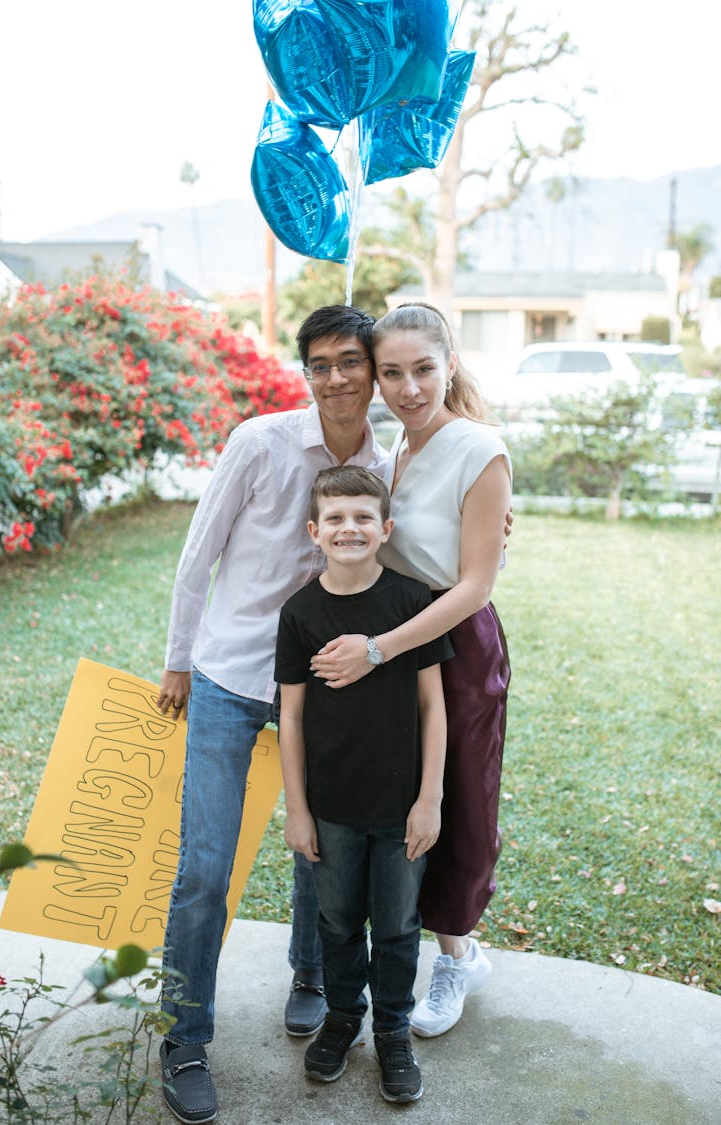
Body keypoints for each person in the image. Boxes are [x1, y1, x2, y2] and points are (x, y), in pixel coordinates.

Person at [156, 306, 384, 1124]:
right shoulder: (260, 441)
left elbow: (418, 552)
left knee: (317, 847)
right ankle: (182, 1035)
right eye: (319, 363)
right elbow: (199, 550)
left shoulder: (387, 462)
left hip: (323, 684)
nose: (336, 377)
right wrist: (180, 659)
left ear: (371, 367)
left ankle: (311, 972)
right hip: (227, 671)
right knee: (206, 865)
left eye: (350, 360)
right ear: (306, 373)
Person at [310, 302, 512, 1040]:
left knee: (458, 799)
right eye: (390, 372)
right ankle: (431, 946)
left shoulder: (478, 447)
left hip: (452, 643)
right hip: (391, 642)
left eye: (422, 369)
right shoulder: (395, 450)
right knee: (401, 797)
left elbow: (474, 584)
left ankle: (457, 955)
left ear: (449, 364)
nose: (407, 387)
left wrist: (380, 648)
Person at [275, 465, 452, 1103]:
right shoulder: (299, 613)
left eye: (363, 518)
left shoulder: (411, 603)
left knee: (400, 927)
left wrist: (430, 797)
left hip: (404, 803)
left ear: (385, 529)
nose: (350, 528)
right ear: (314, 531)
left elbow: (435, 706)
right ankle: (344, 1018)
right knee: (340, 922)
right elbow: (289, 717)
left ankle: (393, 1033)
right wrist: (297, 810)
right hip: (332, 808)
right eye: (337, 518)